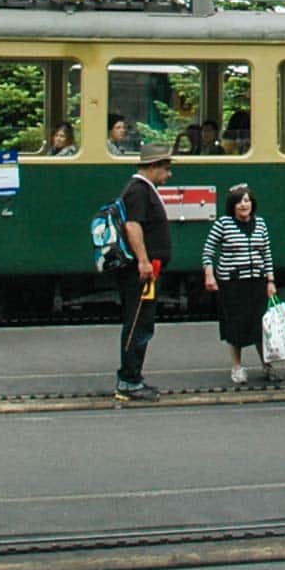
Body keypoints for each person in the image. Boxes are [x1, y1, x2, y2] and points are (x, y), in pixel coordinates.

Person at [115, 144, 175, 403]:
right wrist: (143, 261)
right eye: (165, 169)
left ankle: (132, 377)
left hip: (149, 268)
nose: (169, 174)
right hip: (143, 271)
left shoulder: (140, 189)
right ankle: (129, 380)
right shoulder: (139, 191)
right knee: (138, 321)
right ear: (152, 167)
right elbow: (133, 226)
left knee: (141, 321)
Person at [202, 183, 278, 385]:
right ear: (232, 205)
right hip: (233, 283)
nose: (244, 205)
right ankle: (237, 366)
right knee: (235, 325)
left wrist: (270, 280)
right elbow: (208, 251)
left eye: (247, 200)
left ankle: (267, 364)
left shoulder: (260, 224)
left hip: (257, 282)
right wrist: (209, 275)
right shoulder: (223, 224)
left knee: (262, 326)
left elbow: (267, 254)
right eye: (239, 202)